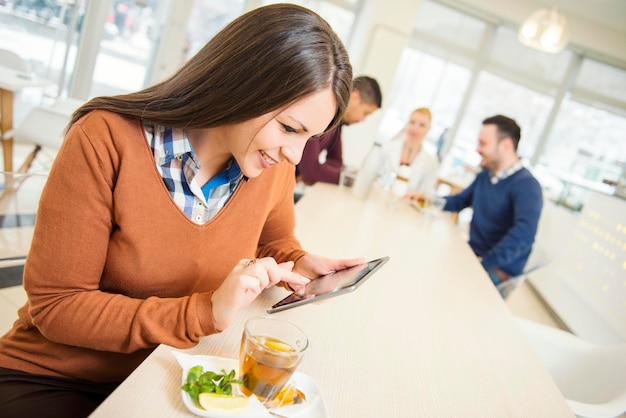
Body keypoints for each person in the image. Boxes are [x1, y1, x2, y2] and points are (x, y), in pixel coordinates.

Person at [0, 5, 361, 417]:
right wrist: (202, 312)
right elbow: (58, 306)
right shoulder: (105, 139)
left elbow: (273, 241)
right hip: (57, 376)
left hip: (169, 373)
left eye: (310, 138)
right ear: (241, 86)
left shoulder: (269, 164)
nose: (295, 155)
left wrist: (298, 263)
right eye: (289, 128)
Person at [407, 114, 543, 287]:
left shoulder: (527, 186)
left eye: (483, 143)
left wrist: (482, 264)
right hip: (474, 254)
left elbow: (522, 237)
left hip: (497, 269)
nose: (477, 149)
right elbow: (460, 201)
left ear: (506, 146)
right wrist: (427, 199)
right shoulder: (486, 175)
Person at [295, 75, 382, 185]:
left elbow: (337, 162)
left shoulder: (337, 123)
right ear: (354, 97)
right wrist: (350, 177)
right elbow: (311, 171)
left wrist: (320, 172)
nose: (363, 120)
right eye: (365, 113)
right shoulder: (322, 113)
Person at [380, 107, 439, 193]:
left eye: (422, 125)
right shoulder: (388, 147)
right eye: (412, 122)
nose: (415, 128)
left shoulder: (431, 162)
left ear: (428, 129)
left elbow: (426, 193)